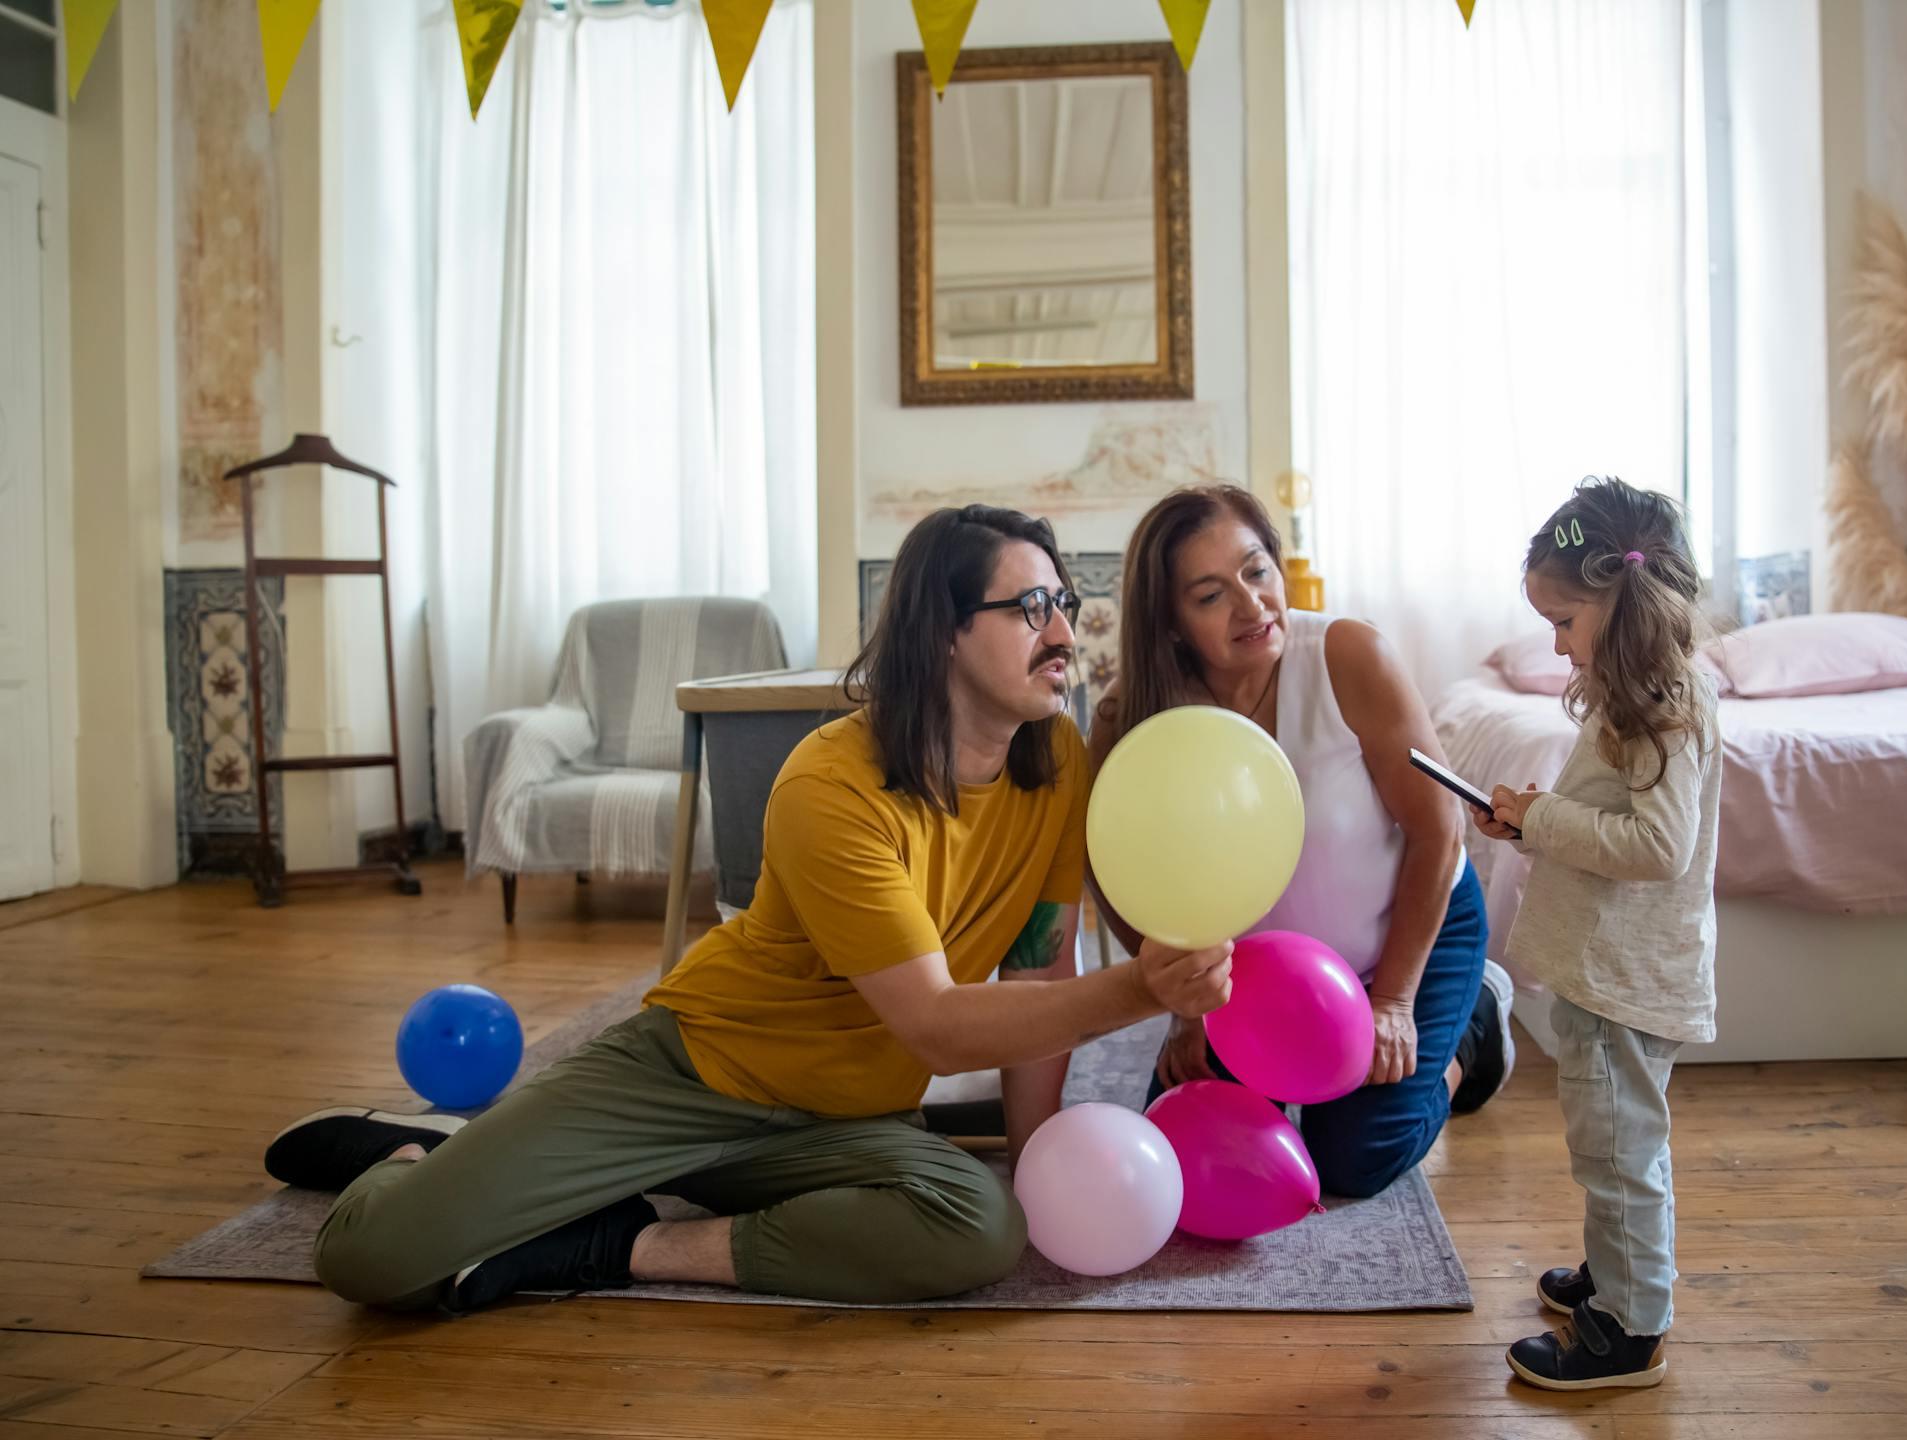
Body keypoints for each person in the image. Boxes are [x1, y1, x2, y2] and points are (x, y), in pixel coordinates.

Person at [260, 505, 1233, 1310]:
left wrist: (1034, 1165)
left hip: (840, 1121)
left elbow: (1034, 973)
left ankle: (615, 1246)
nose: (1064, 631)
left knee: (976, 1229)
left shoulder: (1055, 765)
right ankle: (415, 1153)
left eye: (1064, 602)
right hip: (696, 1073)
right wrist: (1141, 988)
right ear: (942, 630)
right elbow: (937, 1027)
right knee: (375, 1262)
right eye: (1028, 608)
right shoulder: (832, 785)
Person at [1088, 484, 1513, 1201]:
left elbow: (1440, 830)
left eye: (1257, 572)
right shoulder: (1132, 716)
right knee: (1184, 1140)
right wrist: (1187, 1007)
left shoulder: (1348, 655)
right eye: (1210, 595)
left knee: (1352, 1159)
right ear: (1168, 622)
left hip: (1410, 931)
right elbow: (1118, 876)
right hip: (1254, 978)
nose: (1252, 606)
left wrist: (1395, 1004)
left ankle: (1474, 1027)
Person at [1476, 477, 1721, 1391]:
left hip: (1624, 976)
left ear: (1629, 605)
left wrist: (1544, 824)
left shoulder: (1662, 704)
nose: (1555, 640)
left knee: (1620, 1152)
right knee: (1608, 1139)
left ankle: (1631, 1327)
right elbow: (1604, 818)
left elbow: (1659, 846)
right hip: (1602, 969)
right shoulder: (1634, 694)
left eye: (1566, 619)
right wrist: (1537, 816)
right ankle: (1613, 1274)